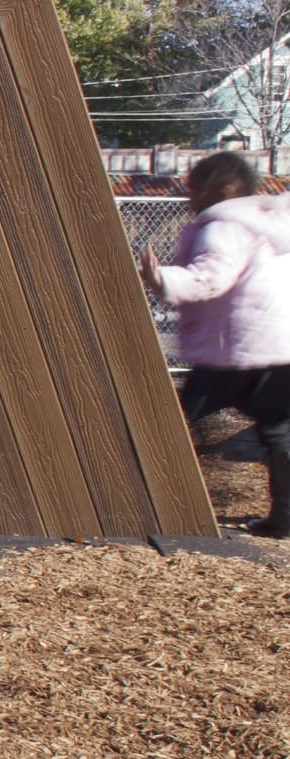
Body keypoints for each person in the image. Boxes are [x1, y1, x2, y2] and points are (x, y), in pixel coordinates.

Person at [140, 150, 290, 537]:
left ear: (222, 190)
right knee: (279, 430)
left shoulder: (224, 225)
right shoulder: (273, 223)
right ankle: (286, 518)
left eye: (193, 188)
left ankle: (162, 504)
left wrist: (162, 279)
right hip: (279, 347)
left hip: (235, 348)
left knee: (173, 422)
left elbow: (211, 277)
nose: (188, 197)